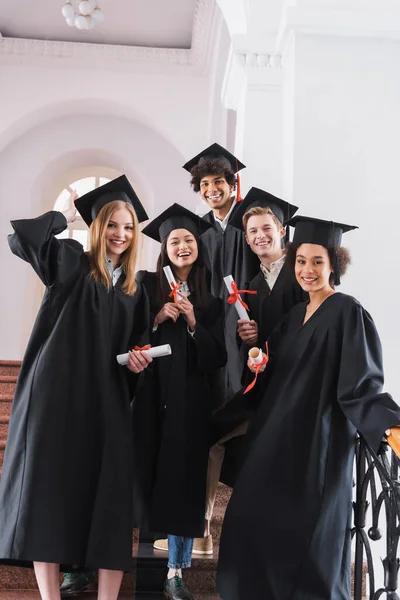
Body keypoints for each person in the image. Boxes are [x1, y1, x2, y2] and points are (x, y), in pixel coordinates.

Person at [216, 216, 400, 600]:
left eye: (317, 262)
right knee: (247, 526)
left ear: (335, 264)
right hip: (272, 442)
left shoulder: (347, 311)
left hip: (315, 445)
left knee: (306, 543)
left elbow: (360, 383)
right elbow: (268, 375)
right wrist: (257, 361)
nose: (307, 270)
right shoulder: (294, 317)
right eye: (301, 261)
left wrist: (389, 425)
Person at [0, 176, 152, 600]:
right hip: (55, 397)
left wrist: (138, 361)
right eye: (112, 225)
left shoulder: (135, 289)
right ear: (98, 227)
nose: (121, 234)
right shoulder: (69, 261)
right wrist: (64, 217)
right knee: (46, 493)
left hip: (106, 400)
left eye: (128, 227)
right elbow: (23, 238)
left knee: (110, 500)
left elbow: (135, 349)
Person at [132, 204, 227, 600]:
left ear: (198, 246)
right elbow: (129, 335)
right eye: (175, 240)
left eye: (189, 239)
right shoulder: (144, 285)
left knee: (184, 484)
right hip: (150, 398)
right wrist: (155, 319)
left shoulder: (211, 299)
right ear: (164, 248)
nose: (183, 246)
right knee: (140, 478)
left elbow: (217, 357)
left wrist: (191, 322)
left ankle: (175, 571)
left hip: (189, 403)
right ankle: (94, 563)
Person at [205, 187, 307, 532]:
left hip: (296, 385)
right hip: (265, 381)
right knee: (212, 432)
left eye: (266, 228)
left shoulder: (302, 272)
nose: (260, 236)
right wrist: (250, 337)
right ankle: (204, 529)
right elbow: (261, 340)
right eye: (252, 232)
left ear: (282, 230)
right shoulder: (252, 283)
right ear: (246, 241)